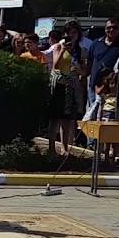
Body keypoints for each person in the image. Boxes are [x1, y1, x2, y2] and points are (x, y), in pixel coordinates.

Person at [46, 29, 80, 157]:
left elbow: (83, 69)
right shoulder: (59, 46)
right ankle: (51, 148)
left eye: (73, 33)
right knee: (55, 118)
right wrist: (63, 50)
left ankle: (64, 148)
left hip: (71, 86)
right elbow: (55, 64)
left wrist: (78, 69)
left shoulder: (78, 50)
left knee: (67, 119)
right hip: (59, 86)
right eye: (68, 33)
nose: (70, 36)